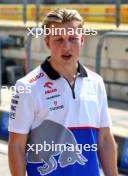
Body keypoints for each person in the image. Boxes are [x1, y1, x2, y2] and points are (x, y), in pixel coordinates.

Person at [8, 9, 118, 176]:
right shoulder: (26, 86)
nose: (66, 46)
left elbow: (104, 139)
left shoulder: (96, 82)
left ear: (82, 40)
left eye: (72, 39)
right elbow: (16, 146)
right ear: (47, 42)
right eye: (58, 39)